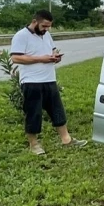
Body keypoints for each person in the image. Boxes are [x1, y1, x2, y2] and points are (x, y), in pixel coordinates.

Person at [9, 10, 88, 155]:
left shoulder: (46, 35)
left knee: (57, 110)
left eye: (49, 27)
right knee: (33, 113)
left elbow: (52, 50)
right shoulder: (21, 36)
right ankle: (34, 145)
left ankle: (67, 140)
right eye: (44, 26)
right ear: (35, 21)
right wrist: (41, 59)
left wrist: (55, 57)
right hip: (31, 81)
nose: (46, 29)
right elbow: (16, 58)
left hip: (49, 79)